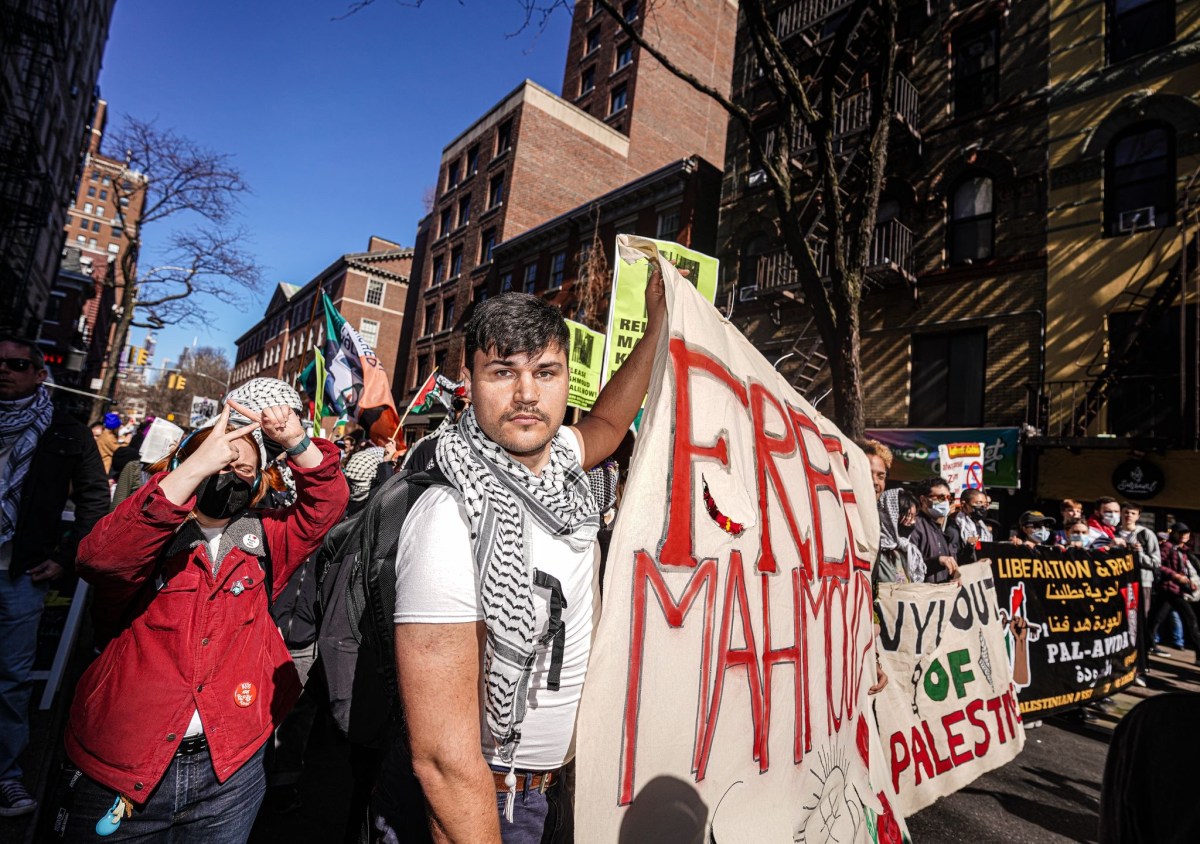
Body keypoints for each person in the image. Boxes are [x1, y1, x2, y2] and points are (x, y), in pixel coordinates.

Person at [373, 284, 666, 843]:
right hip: (490, 802)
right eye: (503, 372)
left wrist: (657, 326)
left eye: (547, 372)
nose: (527, 393)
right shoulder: (449, 516)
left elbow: (607, 423)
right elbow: (443, 763)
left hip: (554, 791)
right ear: (470, 379)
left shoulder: (559, 466)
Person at [59, 379, 348, 841]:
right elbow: (100, 560)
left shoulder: (265, 537)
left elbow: (327, 504)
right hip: (125, 769)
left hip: (230, 773)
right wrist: (193, 470)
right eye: (221, 461)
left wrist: (295, 441)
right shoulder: (149, 532)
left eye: (244, 470)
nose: (231, 473)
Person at [0, 336, 108, 818]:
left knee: (10, 678)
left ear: (39, 373)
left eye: (18, 364)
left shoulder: (65, 432)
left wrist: (67, 557)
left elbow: (93, 502)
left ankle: (6, 773)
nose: (6, 371)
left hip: (19, 574)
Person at [1114, 502, 1160, 684]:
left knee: (1137, 624)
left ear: (1138, 515)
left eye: (1132, 513)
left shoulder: (1145, 534)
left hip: (1142, 585)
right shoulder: (1113, 533)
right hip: (1119, 584)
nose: (1128, 516)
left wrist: (1138, 554)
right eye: (1125, 512)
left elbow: (1156, 562)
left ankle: (1139, 669)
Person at [1148, 523, 1200, 666]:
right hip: (1170, 588)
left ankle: (1148, 644)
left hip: (1176, 589)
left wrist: (1188, 581)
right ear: (1174, 533)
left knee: (1156, 618)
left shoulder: (1183, 550)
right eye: (1180, 533)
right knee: (1191, 620)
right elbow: (1158, 564)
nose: (1184, 536)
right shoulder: (1167, 547)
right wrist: (1176, 576)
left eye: (1186, 533)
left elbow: (1185, 568)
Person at [909, 477, 960, 582]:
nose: (946, 502)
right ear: (923, 499)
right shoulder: (914, 526)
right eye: (941, 498)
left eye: (948, 498)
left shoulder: (939, 528)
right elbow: (910, 565)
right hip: (922, 595)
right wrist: (938, 561)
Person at [874, 488, 925, 586]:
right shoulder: (875, 551)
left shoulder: (908, 551)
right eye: (907, 516)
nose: (912, 522)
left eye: (913, 517)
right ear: (889, 515)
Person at [949, 487, 993, 565]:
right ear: (964, 504)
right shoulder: (954, 527)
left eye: (985, 504)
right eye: (979, 503)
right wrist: (968, 547)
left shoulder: (983, 528)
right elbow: (952, 557)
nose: (983, 507)